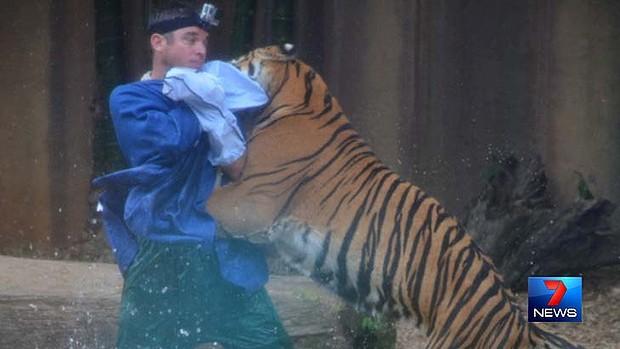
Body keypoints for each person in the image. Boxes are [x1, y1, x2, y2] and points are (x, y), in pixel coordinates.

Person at [93, 3, 292, 348]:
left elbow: (238, 167)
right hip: (164, 253)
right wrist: (202, 104)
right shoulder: (128, 98)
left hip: (221, 253)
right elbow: (165, 143)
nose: (200, 49)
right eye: (190, 39)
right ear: (158, 42)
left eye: (203, 41)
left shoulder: (214, 94)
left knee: (270, 342)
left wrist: (216, 112)